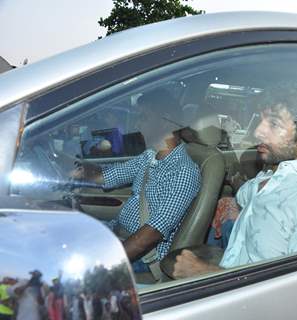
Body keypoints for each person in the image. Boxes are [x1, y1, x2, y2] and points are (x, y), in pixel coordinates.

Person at [172, 99, 297, 278]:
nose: (258, 132)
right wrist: (232, 204)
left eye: (274, 124)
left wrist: (205, 272)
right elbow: (247, 195)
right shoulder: (271, 175)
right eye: (260, 121)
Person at [73, 89, 201, 274]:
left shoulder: (183, 172)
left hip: (142, 258)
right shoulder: (149, 156)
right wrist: (74, 167)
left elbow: (151, 234)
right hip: (118, 235)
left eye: (144, 117)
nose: (137, 123)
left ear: (166, 122)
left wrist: (106, 262)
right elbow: (107, 177)